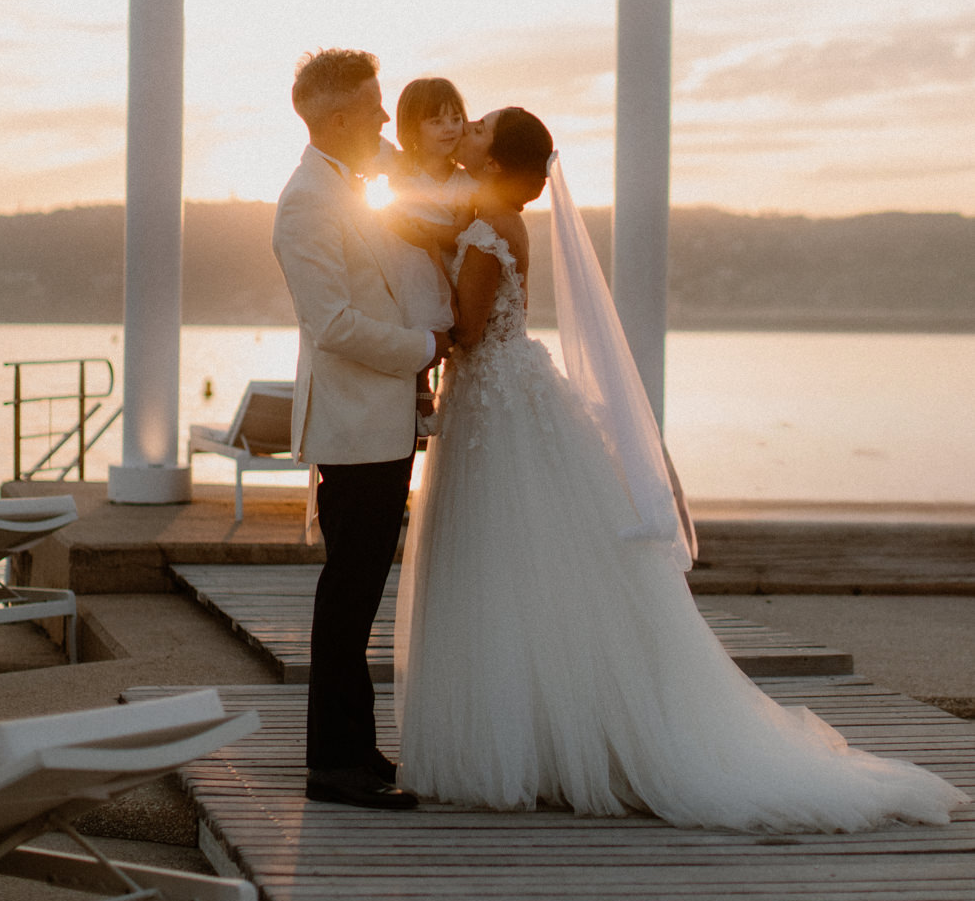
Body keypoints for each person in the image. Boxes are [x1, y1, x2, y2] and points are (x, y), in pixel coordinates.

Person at [394, 107, 968, 830]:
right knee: (524, 564)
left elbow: (470, 331)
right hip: (505, 401)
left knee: (498, 561)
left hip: (493, 407)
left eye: (477, 130)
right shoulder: (491, 221)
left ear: (498, 159)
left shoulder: (486, 229)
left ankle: (525, 740)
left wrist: (406, 316)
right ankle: (539, 733)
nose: (466, 132)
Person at [272, 49, 451, 811]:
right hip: (353, 426)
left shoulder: (353, 168)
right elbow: (334, 323)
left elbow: (414, 160)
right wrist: (423, 348)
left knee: (359, 591)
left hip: (377, 421)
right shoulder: (305, 202)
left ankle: (353, 745)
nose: (387, 117)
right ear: (338, 118)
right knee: (347, 596)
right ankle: (332, 767)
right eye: (375, 106)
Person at [387, 78, 476, 433]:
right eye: (436, 121)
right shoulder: (402, 173)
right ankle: (418, 388)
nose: (449, 128)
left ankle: (429, 390)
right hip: (408, 266)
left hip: (448, 268)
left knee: (440, 322)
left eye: (455, 119)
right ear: (413, 127)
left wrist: (425, 231)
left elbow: (461, 233)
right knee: (413, 314)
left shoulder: (467, 182)